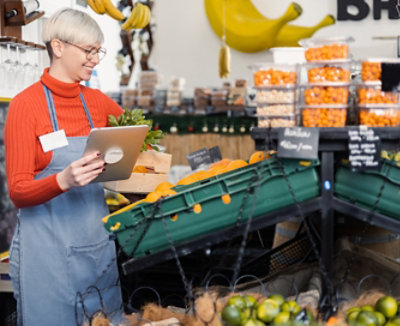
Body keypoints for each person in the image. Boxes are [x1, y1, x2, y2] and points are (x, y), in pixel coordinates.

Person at [5, 8, 125, 325]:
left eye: (99, 51)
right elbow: (17, 191)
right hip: (47, 261)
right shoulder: (25, 106)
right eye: (88, 50)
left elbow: (143, 138)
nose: (95, 59)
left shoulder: (99, 103)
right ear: (58, 47)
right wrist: (63, 180)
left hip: (95, 252)